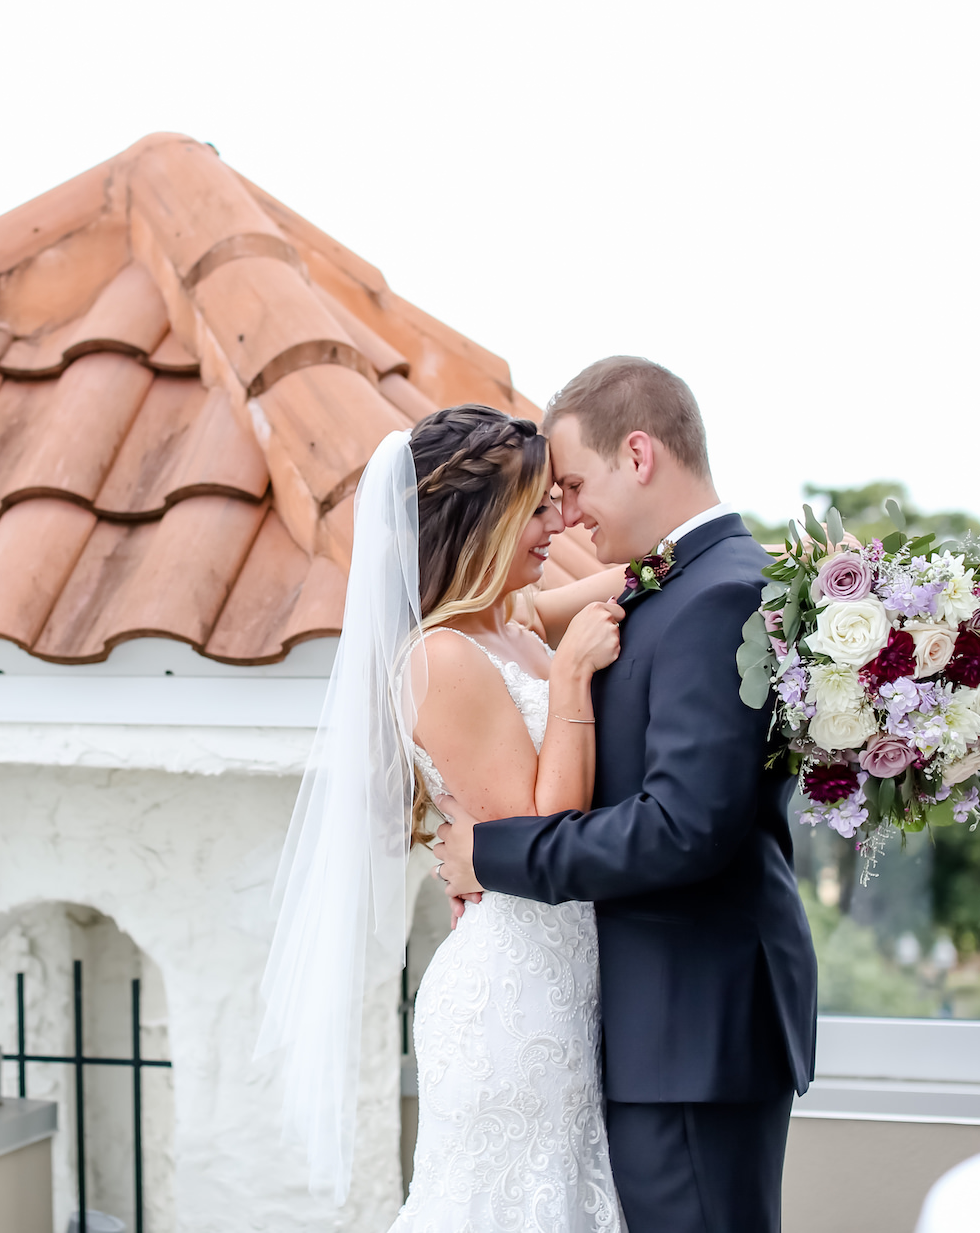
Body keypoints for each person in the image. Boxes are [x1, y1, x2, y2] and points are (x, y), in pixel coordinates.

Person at [431, 357, 819, 1233]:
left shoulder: (717, 597)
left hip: (690, 1030)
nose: (564, 515)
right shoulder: (682, 580)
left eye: (571, 483)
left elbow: (685, 827)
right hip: (661, 1026)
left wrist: (489, 853)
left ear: (637, 454)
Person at [256, 403, 628, 1230]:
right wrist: (570, 682)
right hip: (512, 999)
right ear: (479, 521)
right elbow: (541, 835)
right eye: (535, 509)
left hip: (564, 982)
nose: (557, 523)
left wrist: (779, 559)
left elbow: (646, 576)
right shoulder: (442, 656)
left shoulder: (518, 623)